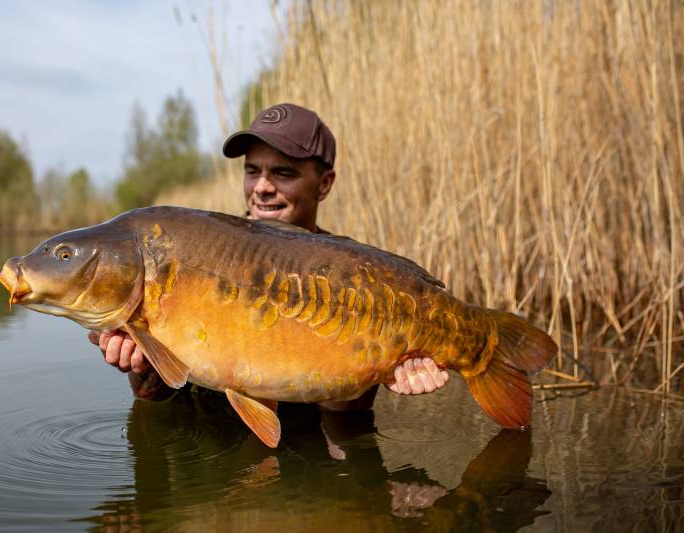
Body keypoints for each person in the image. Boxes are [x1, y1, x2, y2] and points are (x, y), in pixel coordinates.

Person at [88, 103, 449, 409]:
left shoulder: (356, 276)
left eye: (282, 173)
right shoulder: (193, 250)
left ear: (324, 184)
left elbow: (344, 420)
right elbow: (153, 398)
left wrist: (387, 369)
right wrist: (139, 365)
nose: (262, 187)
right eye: (252, 171)